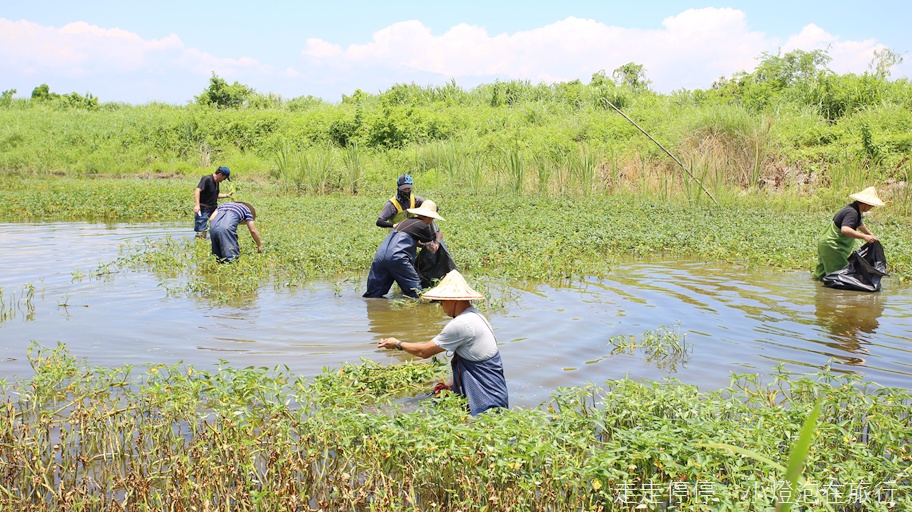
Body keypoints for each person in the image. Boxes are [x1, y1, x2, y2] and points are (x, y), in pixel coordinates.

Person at [377, 270, 509, 416]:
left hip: (485, 401)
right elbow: (472, 361)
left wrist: (397, 344)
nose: (440, 305)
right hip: (496, 395)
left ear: (453, 300)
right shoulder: (476, 316)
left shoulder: (462, 324)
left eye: (442, 301)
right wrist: (450, 385)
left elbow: (424, 352)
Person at [363, 201, 443, 298]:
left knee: (373, 295)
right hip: (397, 258)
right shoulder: (423, 226)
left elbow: (410, 240)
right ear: (431, 218)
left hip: (380, 257)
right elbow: (432, 249)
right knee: (415, 293)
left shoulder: (406, 221)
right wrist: (438, 239)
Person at [813, 186, 884, 280]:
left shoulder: (853, 209)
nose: (871, 208)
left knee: (820, 276)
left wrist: (869, 234)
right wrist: (864, 237)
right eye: (871, 205)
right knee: (838, 276)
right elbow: (845, 229)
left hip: (826, 244)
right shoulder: (852, 212)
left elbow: (859, 224)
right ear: (866, 204)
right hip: (834, 246)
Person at [193, 166, 233, 239]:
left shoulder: (217, 183)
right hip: (203, 209)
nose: (223, 180)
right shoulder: (207, 179)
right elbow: (197, 191)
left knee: (216, 227)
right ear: (220, 174)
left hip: (213, 209)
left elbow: (214, 195)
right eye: (224, 178)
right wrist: (197, 205)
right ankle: (199, 245)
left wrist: (227, 195)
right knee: (201, 230)